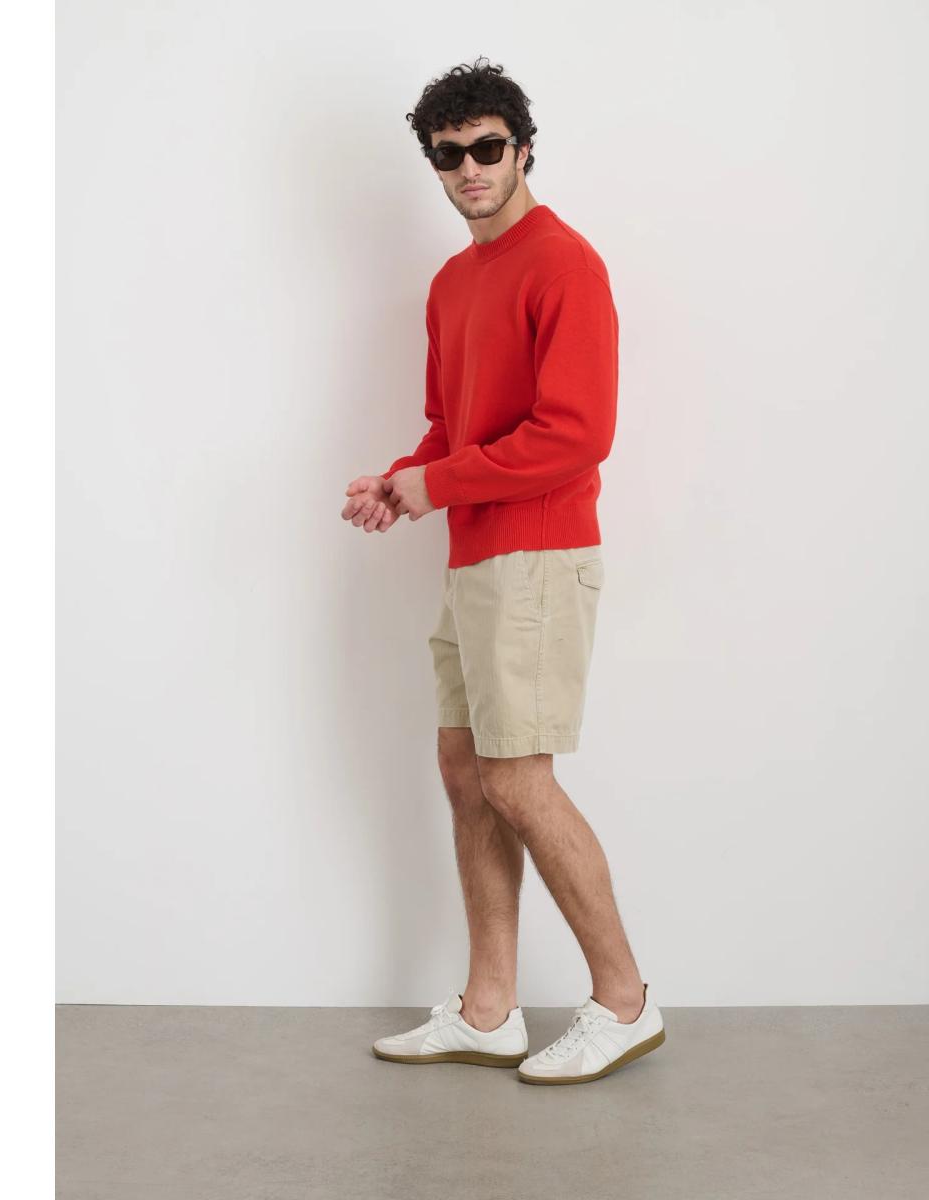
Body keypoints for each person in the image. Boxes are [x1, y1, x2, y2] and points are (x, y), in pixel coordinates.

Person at [340, 57, 663, 1086]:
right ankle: (489, 1012)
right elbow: (452, 428)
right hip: (473, 557)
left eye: (488, 147)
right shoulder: (451, 284)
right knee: (464, 769)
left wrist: (439, 483)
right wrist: (401, 482)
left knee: (518, 778)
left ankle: (625, 1001)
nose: (470, 169)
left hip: (539, 555)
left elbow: (576, 434)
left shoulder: (564, 264)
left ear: (523, 150)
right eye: (450, 155)